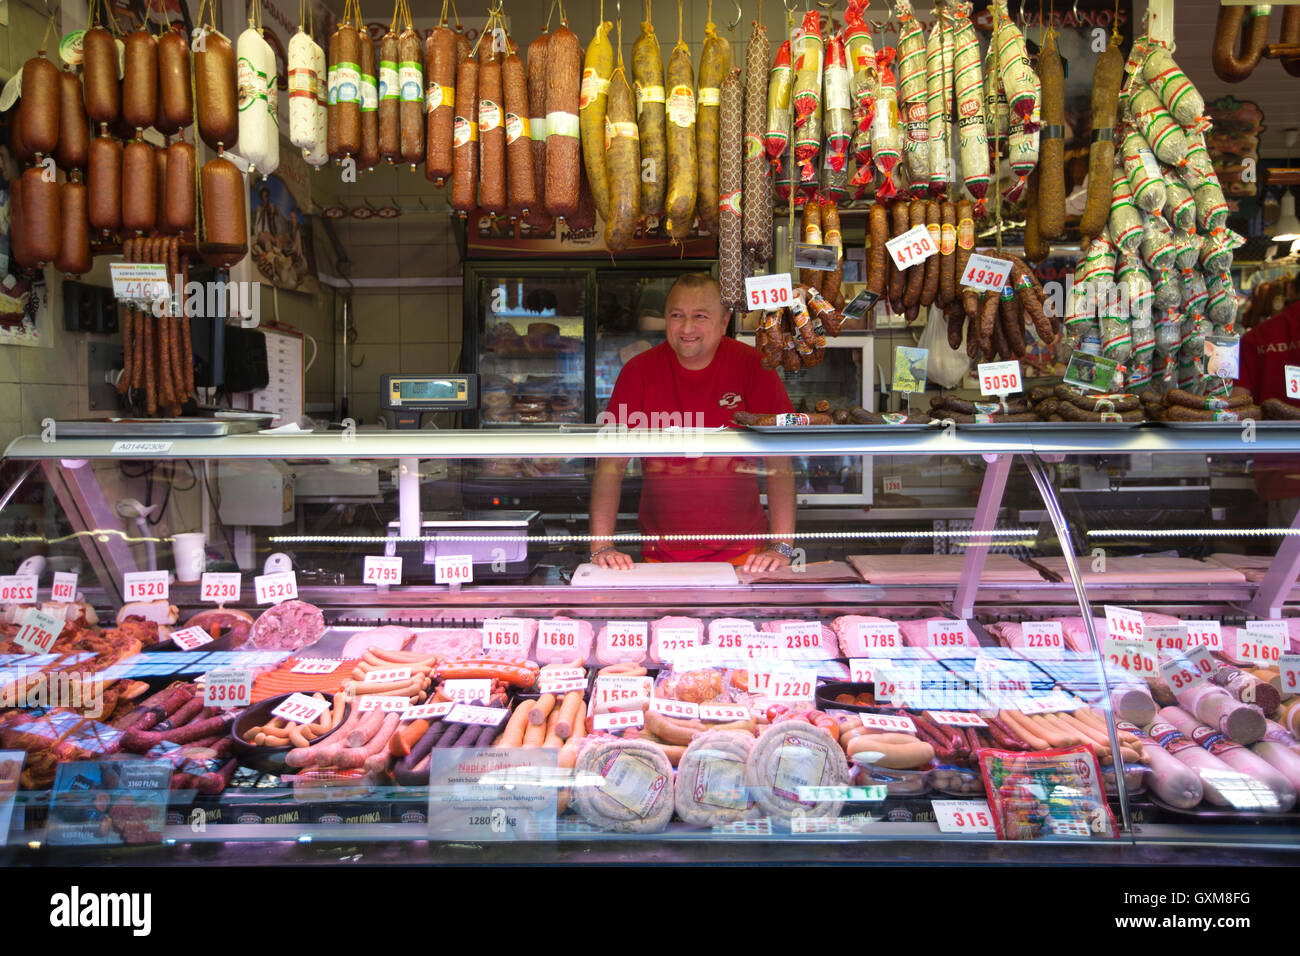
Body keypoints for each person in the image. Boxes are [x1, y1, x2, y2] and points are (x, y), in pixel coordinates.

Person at [588, 273, 797, 574]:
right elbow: (610, 465)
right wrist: (601, 546)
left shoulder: (754, 367)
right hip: (660, 556)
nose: (687, 328)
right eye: (677, 316)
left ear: (724, 321)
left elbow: (780, 462)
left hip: (746, 557)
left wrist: (782, 547)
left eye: (700, 316)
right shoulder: (638, 372)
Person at [1235, 274, 1300, 526]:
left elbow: (1238, 404)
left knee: (1290, 563)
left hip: (1282, 474)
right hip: (1281, 474)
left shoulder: (1257, 338)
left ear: (1291, 289)